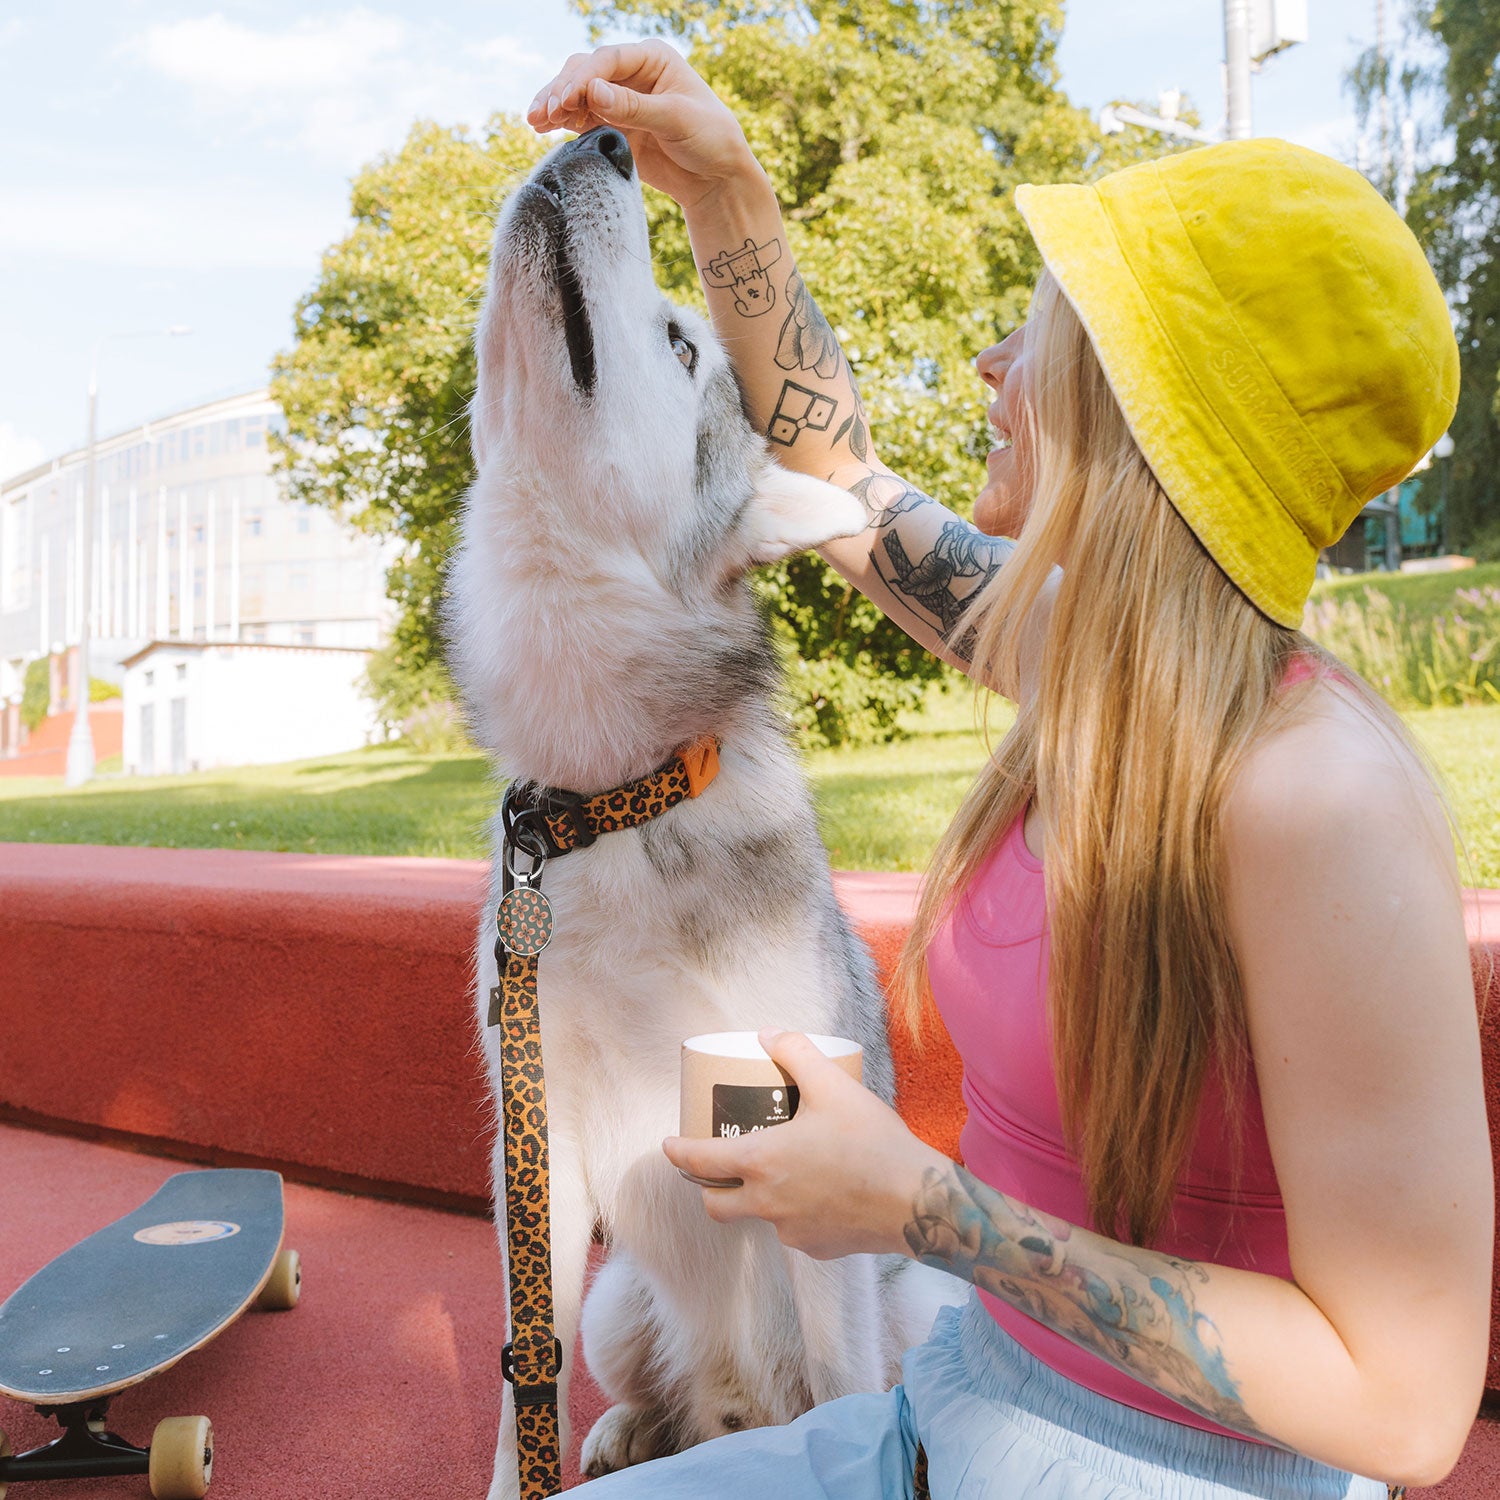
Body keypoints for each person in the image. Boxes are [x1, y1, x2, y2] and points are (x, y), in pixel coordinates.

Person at [523, 42, 1492, 1500]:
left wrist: (923, 1207)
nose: (989, 366)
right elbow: (834, 474)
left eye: (1038, 341)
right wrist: (726, 195)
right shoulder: (1097, 659)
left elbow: (1405, 1408)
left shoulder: (1318, 798)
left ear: (1147, 417)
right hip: (949, 1415)